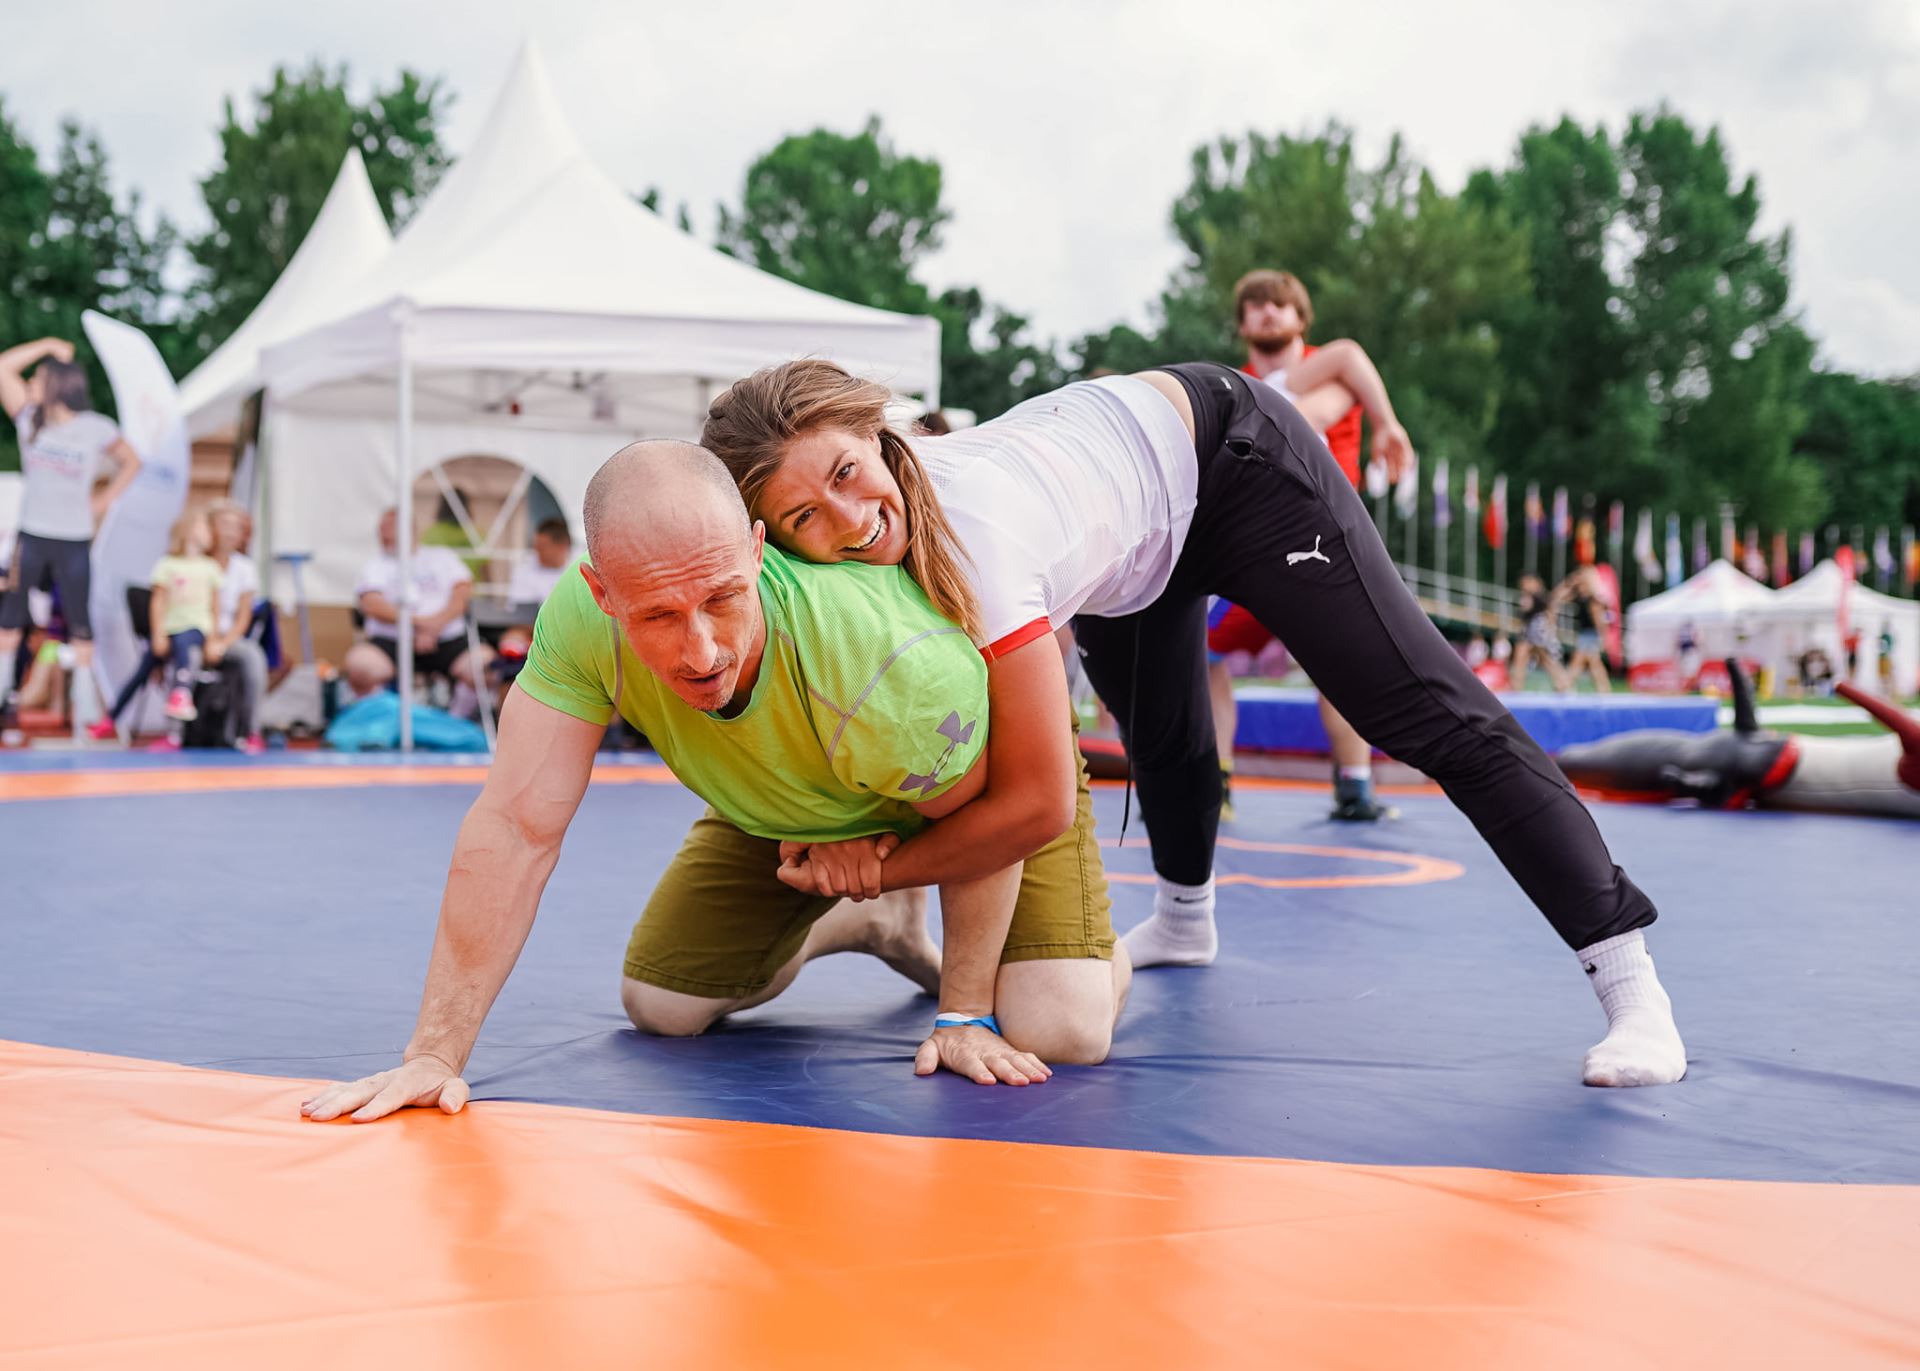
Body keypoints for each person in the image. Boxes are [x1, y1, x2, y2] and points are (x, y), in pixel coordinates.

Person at [704, 358, 1686, 1087]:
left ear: (876, 431)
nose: (847, 521)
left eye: (844, 473)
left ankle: (1632, 985)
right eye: (803, 518)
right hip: (1124, 533)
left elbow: (1030, 792)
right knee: (1162, 738)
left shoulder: (979, 541)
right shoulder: (847, 561)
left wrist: (892, 892)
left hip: (1232, 463)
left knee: (1420, 710)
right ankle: (1184, 921)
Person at [301, 442, 1127, 1125]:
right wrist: (435, 1052)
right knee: (663, 1001)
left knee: (1059, 1025)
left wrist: (962, 1013)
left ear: (758, 555)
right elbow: (517, 826)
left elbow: (998, 815)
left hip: (975, 783)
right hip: (797, 793)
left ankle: (1095, 955)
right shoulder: (579, 625)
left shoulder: (884, 660)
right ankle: (871, 924)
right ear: (601, 592)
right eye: (658, 615)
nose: (701, 652)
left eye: (723, 599)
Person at [1207, 270, 1413, 822]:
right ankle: (1215, 783)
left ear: (1301, 318)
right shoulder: (1240, 385)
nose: (1268, 312)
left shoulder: (1337, 375)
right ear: (1242, 322)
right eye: (1255, 305)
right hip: (1250, 548)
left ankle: (1354, 787)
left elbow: (1318, 398)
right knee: (1200, 650)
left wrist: (1386, 423)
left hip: (1318, 538)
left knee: (1339, 661)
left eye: (1279, 303)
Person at [0, 336, 143, 735]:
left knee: (79, 619)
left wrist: (104, 500)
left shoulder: (96, 428)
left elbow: (132, 462)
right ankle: (2, 691)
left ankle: (84, 708)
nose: (31, 382)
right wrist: (46, 345)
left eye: (39, 377)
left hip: (74, 536)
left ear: (59, 385)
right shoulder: (31, 420)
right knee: (11, 614)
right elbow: (2, 367)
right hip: (32, 533)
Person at [96, 511, 221, 749]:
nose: (207, 533)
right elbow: (158, 602)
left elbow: (216, 606)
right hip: (170, 629)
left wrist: (213, 638)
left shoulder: (210, 568)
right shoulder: (168, 565)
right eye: (202, 527)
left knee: (187, 651)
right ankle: (111, 718)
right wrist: (158, 634)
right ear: (187, 530)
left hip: (196, 629)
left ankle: (181, 695)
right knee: (141, 671)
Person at [355, 507, 492, 707]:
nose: (382, 534)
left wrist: (436, 625)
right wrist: (419, 625)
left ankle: (455, 722)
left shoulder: (441, 557)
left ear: (408, 530)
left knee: (486, 666)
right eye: (380, 529)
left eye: (388, 528)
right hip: (392, 640)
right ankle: (387, 721)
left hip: (447, 639)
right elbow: (371, 604)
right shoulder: (375, 564)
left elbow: (462, 593)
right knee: (361, 668)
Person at [206, 499, 267, 750]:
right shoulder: (199, 564)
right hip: (200, 633)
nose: (231, 532)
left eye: (236, 527)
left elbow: (243, 618)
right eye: (225, 525)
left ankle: (251, 730)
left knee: (253, 657)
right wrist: (209, 641)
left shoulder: (245, 568)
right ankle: (176, 733)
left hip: (228, 637)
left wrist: (222, 644)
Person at [1509, 574, 1571, 692]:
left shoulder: (1540, 596)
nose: (1524, 585)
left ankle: (1562, 682)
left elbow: (1551, 608)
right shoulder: (1531, 596)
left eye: (1527, 583)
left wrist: (1551, 627)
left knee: (1544, 658)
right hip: (1530, 629)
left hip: (1537, 629)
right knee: (1523, 658)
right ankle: (1516, 686)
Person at [1557, 564, 1612, 694]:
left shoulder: (1592, 599)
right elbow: (1559, 597)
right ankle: (1604, 689)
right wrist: (1570, 581)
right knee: (1594, 664)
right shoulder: (1581, 596)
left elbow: (1598, 619)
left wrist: (1603, 637)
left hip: (1590, 634)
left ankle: (1565, 685)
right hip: (1586, 633)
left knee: (1579, 660)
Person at [505, 517, 574, 607]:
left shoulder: (580, 569)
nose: (536, 550)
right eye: (535, 546)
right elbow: (519, 611)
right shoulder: (524, 570)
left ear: (562, 546)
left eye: (542, 547)